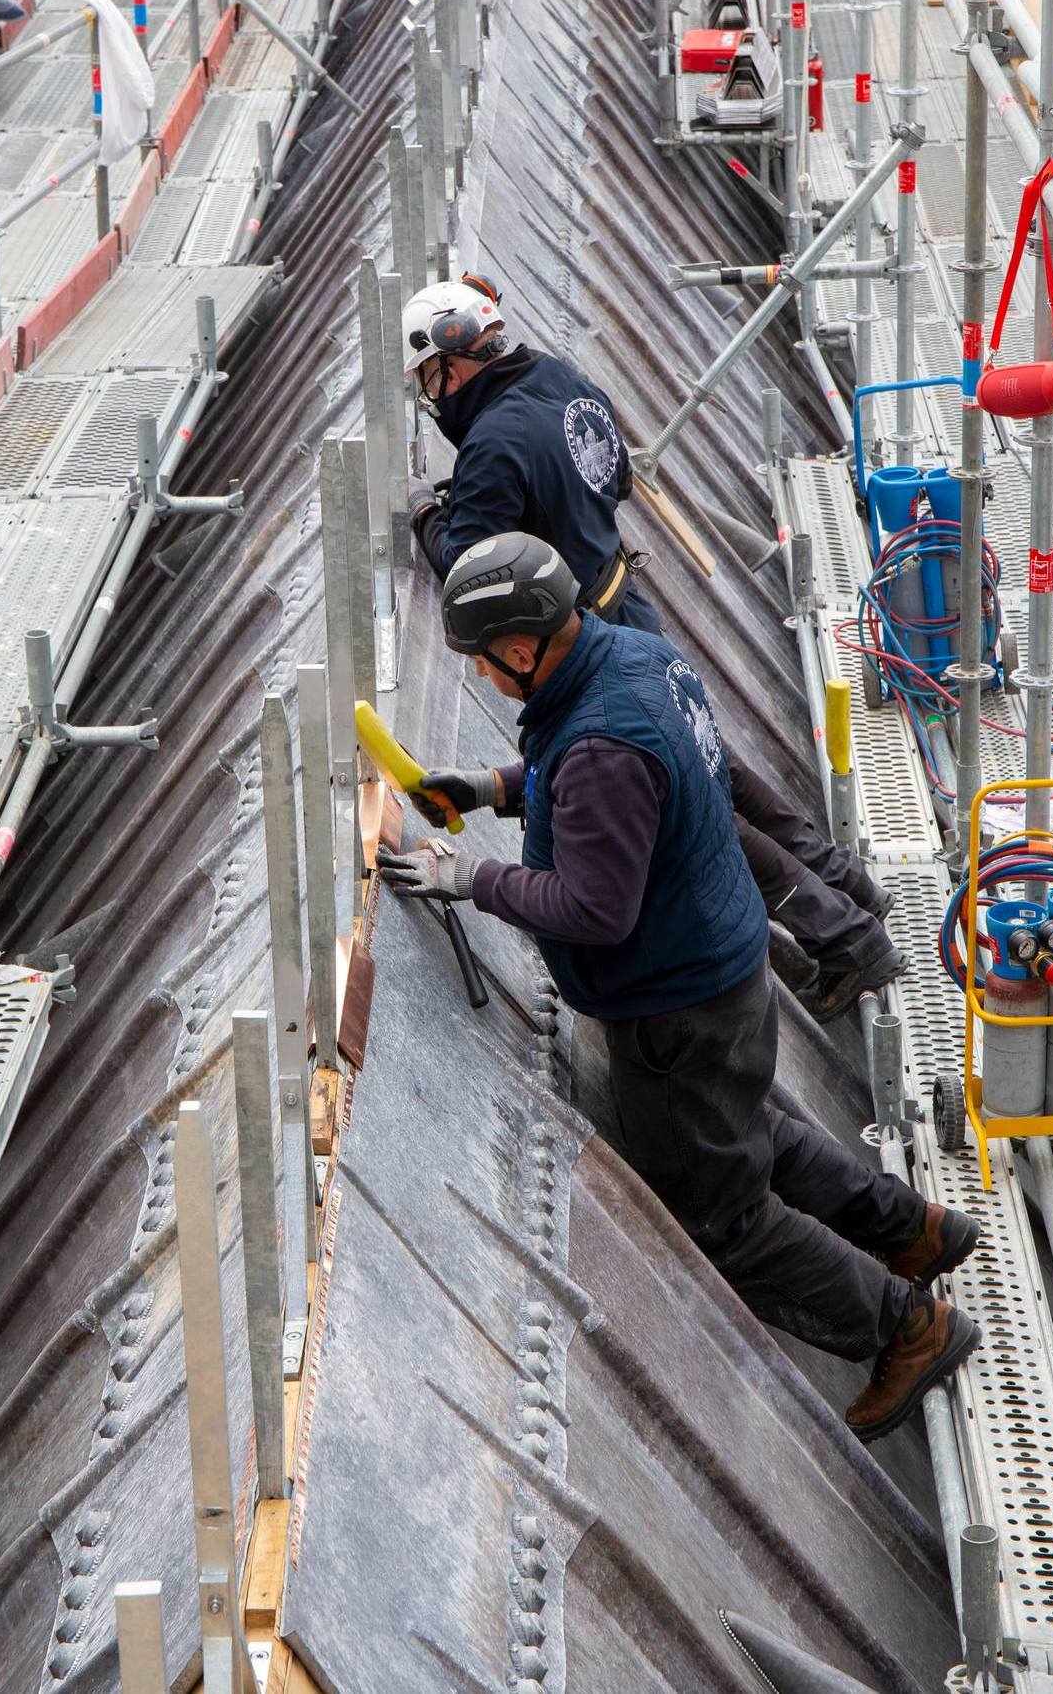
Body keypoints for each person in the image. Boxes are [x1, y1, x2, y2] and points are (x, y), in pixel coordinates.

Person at [377, 533, 980, 1441]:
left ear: (519, 647)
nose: (489, 683)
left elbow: (592, 909)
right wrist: (498, 786)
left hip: (675, 1000)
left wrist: (474, 879)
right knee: (751, 1131)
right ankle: (915, 1230)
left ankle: (908, 1328)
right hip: (722, 960)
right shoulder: (633, 656)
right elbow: (614, 779)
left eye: (486, 665)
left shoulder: (598, 748)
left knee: (722, 1211)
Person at [401, 272, 903, 1022]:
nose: (432, 396)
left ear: (452, 360)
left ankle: (843, 935)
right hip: (622, 601)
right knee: (712, 768)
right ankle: (848, 888)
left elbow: (469, 573)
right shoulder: (559, 377)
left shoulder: (493, 444)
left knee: (695, 801)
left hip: (590, 642)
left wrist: (424, 517)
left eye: (429, 379)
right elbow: (619, 476)